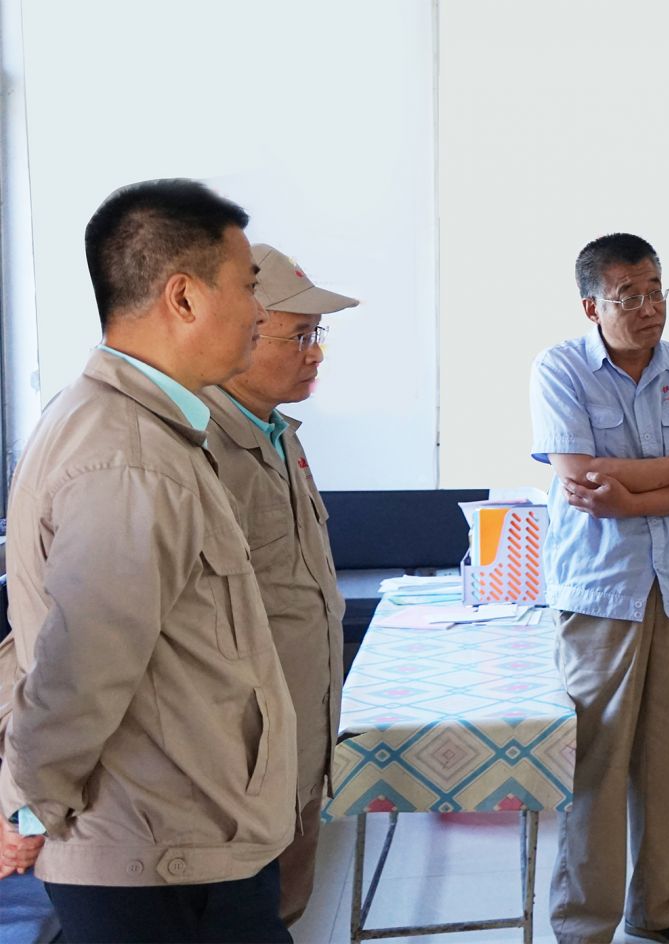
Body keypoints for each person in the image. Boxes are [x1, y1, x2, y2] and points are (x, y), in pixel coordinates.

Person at [0, 179, 296, 942]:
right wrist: (25, 811)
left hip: (176, 848)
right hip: (162, 863)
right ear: (184, 297)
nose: (260, 313)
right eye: (249, 287)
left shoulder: (141, 429)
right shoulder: (129, 456)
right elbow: (77, 671)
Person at [530, 233, 669, 944]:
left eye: (656, 291)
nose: (649, 308)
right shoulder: (560, 368)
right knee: (600, 762)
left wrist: (631, 490)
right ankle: (585, 926)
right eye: (629, 296)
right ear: (592, 306)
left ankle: (660, 910)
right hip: (601, 592)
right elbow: (578, 475)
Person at [198, 243, 355, 925]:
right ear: (241, 331)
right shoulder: (198, 446)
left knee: (288, 907)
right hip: (239, 763)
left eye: (318, 335)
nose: (315, 354)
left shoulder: (280, 433)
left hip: (299, 740)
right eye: (299, 336)